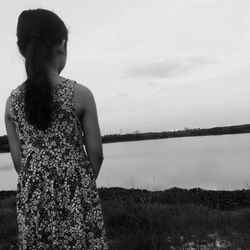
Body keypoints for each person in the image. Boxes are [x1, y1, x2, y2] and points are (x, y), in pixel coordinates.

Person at [4, 8, 109, 250]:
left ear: (24, 50)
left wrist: (40, 186)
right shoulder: (80, 94)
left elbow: (20, 162)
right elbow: (96, 155)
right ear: (61, 45)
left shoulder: (11, 103)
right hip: (78, 195)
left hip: (33, 200)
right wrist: (78, 187)